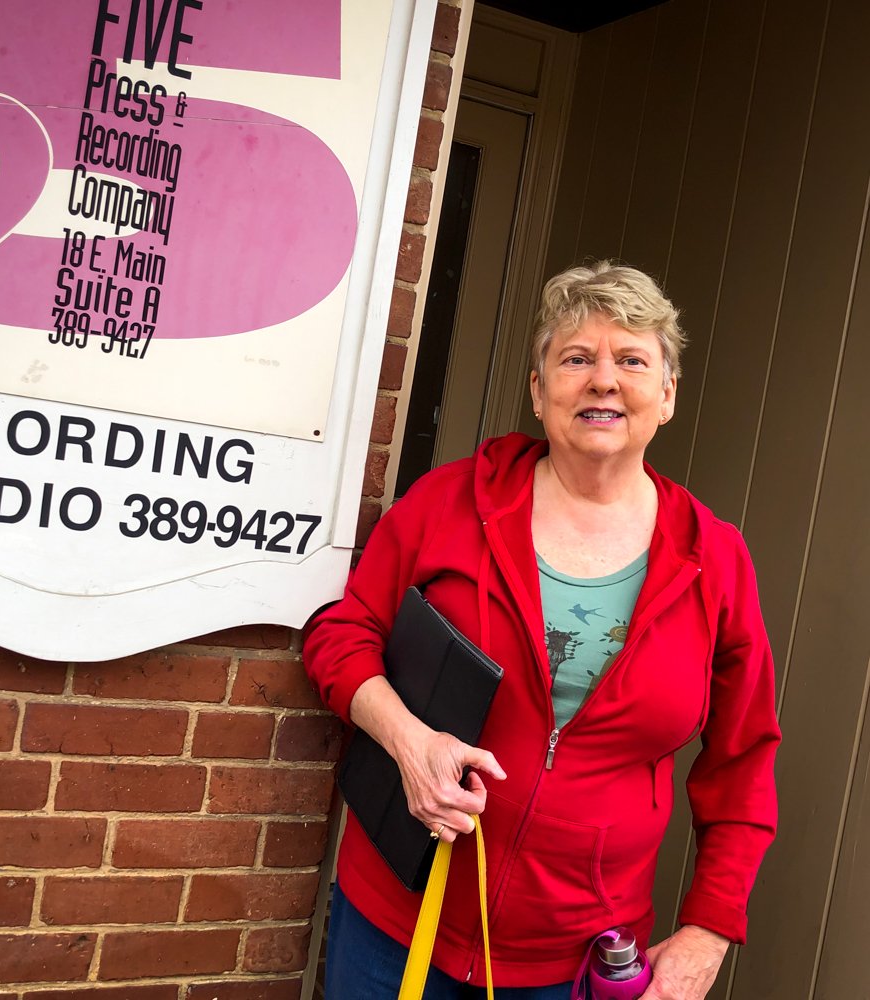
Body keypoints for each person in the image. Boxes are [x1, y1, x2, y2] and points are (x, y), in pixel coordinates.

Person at [303, 261, 781, 1000]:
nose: (603, 380)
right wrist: (407, 740)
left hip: (577, 959)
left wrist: (710, 931)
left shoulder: (713, 560)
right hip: (398, 922)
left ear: (667, 395)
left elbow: (744, 761)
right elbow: (341, 633)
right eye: (576, 358)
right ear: (538, 388)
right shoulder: (452, 504)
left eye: (631, 360)